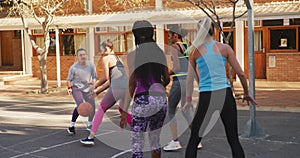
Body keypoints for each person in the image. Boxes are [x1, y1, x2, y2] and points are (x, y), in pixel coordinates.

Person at [184, 17, 257, 158]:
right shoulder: (225, 48)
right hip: (225, 95)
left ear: (199, 31)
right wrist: (246, 93)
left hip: (207, 96)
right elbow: (241, 74)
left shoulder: (194, 52)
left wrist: (188, 100)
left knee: (194, 139)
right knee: (233, 139)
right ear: (214, 30)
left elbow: (189, 79)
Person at [119, 20, 170, 158]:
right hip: (160, 100)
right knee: (155, 141)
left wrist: (124, 111)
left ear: (135, 35)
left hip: (143, 100)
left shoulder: (133, 55)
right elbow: (167, 78)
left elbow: (132, 83)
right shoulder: (160, 53)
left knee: (137, 144)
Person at [80, 39, 132, 145]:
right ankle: (140, 128)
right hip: (127, 88)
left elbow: (105, 78)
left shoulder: (106, 58)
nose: (103, 51)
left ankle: (91, 137)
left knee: (101, 109)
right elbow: (112, 81)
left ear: (110, 48)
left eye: (105, 48)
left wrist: (94, 87)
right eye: (102, 49)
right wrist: (98, 91)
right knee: (123, 110)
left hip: (117, 88)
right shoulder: (118, 59)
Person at [163, 25, 203, 151]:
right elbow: (193, 67)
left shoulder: (175, 47)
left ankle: (175, 141)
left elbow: (177, 68)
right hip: (188, 81)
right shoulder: (188, 47)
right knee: (186, 110)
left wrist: (165, 75)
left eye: (169, 36)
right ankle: (197, 140)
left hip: (178, 81)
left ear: (176, 35)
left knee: (170, 110)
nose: (168, 39)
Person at [66, 48, 97, 135]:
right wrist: (69, 88)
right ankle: (71, 126)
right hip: (77, 88)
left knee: (92, 106)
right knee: (81, 106)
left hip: (87, 88)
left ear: (86, 55)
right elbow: (68, 80)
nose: (83, 56)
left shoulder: (91, 65)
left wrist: (93, 84)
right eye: (81, 55)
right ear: (77, 57)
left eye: (84, 54)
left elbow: (94, 77)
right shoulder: (74, 67)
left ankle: (90, 124)